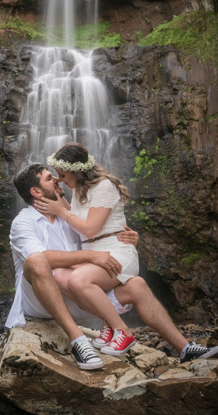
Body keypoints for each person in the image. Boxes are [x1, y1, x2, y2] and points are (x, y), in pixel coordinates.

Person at [8, 162, 218, 370]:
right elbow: (43, 257)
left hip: (76, 293)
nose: (57, 179)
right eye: (49, 178)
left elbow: (98, 233)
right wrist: (92, 256)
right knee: (38, 260)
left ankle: (185, 348)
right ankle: (78, 341)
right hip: (40, 301)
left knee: (137, 285)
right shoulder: (23, 221)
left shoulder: (69, 215)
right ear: (36, 192)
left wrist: (126, 238)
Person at [33, 142, 139, 355]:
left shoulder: (105, 186)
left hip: (116, 252)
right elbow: (79, 218)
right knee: (60, 275)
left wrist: (60, 211)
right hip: (95, 255)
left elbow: (90, 229)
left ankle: (123, 331)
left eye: (63, 175)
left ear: (76, 171)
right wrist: (60, 199)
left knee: (78, 280)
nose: (60, 179)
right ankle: (109, 324)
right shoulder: (80, 189)